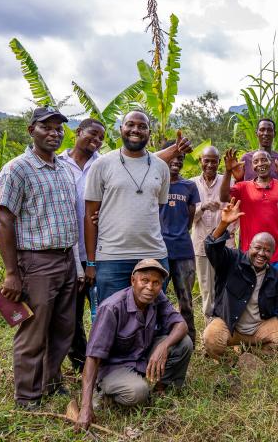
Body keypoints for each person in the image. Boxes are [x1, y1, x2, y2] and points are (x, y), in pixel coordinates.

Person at [0, 106, 82, 409]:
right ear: (32, 130)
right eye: (47, 127)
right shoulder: (17, 169)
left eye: (58, 129)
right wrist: (11, 273)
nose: (54, 133)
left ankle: (51, 383)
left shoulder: (63, 167)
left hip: (66, 258)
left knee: (63, 327)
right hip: (36, 261)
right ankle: (28, 398)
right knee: (33, 331)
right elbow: (4, 219)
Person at [76, 259, 192, 430]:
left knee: (184, 343)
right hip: (114, 367)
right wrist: (85, 407)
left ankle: (161, 390)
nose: (150, 288)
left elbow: (181, 324)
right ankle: (102, 394)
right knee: (138, 392)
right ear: (133, 281)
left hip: (141, 357)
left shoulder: (156, 297)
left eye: (156, 283)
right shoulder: (112, 308)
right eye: (144, 281)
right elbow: (92, 358)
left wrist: (163, 346)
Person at [202, 198, 278, 358]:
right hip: (231, 326)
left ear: (272, 254)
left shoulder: (275, 276)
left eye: (267, 250)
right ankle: (227, 360)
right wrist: (223, 224)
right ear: (249, 247)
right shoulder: (232, 260)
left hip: (259, 328)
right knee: (210, 338)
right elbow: (211, 248)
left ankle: (250, 351)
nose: (262, 253)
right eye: (258, 248)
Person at [84, 111, 172, 304]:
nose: (135, 130)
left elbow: (157, 208)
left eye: (142, 126)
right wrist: (91, 262)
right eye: (130, 124)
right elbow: (90, 215)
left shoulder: (161, 167)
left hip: (153, 255)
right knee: (112, 315)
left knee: (152, 317)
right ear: (120, 129)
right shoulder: (101, 165)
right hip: (111, 257)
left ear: (149, 132)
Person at [58, 118, 105, 373]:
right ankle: (80, 363)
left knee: (101, 311)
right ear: (78, 132)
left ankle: (101, 361)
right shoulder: (57, 164)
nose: (96, 141)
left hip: (98, 251)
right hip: (68, 253)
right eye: (92, 135)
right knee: (71, 315)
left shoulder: (104, 163)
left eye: (101, 138)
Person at [220, 149, 278, 282]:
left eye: (264, 160)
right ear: (251, 167)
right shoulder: (243, 187)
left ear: (271, 163)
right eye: (256, 161)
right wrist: (228, 171)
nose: (260, 164)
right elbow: (224, 196)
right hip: (252, 253)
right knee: (252, 297)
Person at [159, 141, 201, 345]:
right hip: (159, 250)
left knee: (185, 300)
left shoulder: (189, 186)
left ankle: (190, 339)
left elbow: (189, 219)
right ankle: (157, 338)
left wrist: (179, 232)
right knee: (155, 297)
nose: (176, 162)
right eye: (172, 157)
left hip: (184, 250)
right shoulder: (156, 183)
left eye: (180, 159)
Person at [190, 146, 236, 319]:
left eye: (214, 161)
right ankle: (210, 325)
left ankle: (226, 323)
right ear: (200, 160)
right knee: (207, 287)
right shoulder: (191, 184)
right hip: (201, 245)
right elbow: (189, 218)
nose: (210, 164)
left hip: (225, 245)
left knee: (227, 284)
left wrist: (230, 232)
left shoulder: (229, 182)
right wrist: (203, 207)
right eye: (206, 160)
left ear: (219, 162)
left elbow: (236, 213)